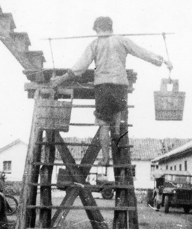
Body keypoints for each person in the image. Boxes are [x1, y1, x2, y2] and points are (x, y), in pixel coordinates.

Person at [50, 16, 173, 166]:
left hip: (103, 87)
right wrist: (162, 61)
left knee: (103, 124)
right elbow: (141, 52)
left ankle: (106, 158)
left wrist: (61, 79)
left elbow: (80, 66)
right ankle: (118, 156)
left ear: (99, 29)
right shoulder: (122, 40)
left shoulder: (94, 44)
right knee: (116, 121)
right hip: (120, 86)